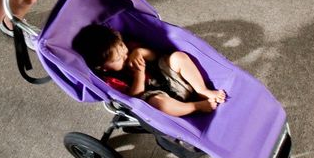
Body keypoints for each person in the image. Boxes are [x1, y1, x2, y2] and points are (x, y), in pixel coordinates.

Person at [72, 24, 227, 116]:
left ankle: (202, 90)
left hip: (169, 78)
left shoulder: (130, 48)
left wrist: (139, 52)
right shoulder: (110, 80)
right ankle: (197, 106)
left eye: (123, 48)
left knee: (177, 57)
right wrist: (139, 74)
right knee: (157, 104)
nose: (124, 55)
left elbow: (155, 56)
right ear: (102, 67)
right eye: (118, 59)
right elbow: (134, 96)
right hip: (159, 96)